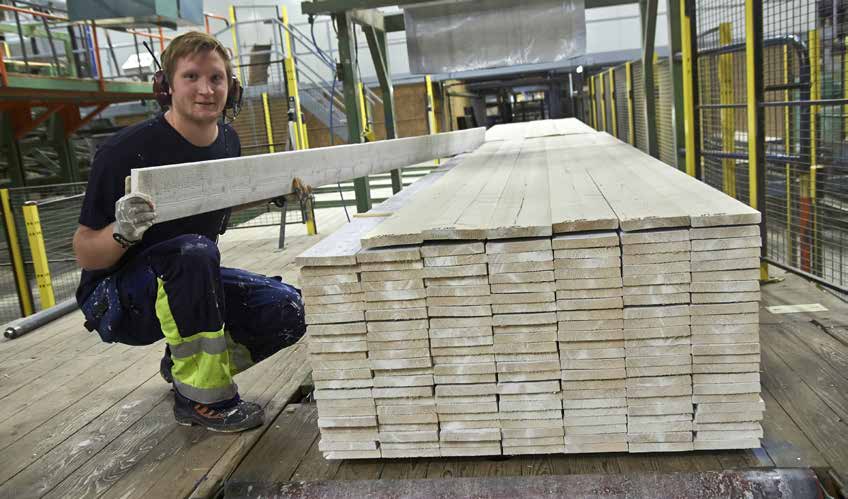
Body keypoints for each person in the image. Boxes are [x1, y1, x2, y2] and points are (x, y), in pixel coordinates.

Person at [73, 31, 306, 433]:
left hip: (188, 277)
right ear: (166, 87)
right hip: (116, 299)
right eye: (191, 77)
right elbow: (86, 253)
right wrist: (123, 231)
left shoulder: (228, 141)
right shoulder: (125, 152)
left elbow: (207, 199)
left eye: (216, 78)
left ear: (232, 88)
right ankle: (202, 400)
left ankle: (183, 366)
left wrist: (274, 192)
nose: (205, 89)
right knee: (193, 253)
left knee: (288, 310)